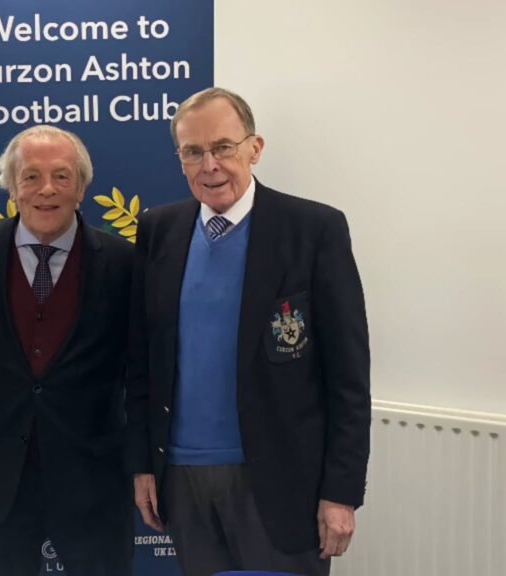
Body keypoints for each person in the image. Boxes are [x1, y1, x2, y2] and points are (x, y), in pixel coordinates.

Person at [126, 87, 371, 576]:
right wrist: (142, 464)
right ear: (180, 159)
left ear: (254, 149)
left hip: (281, 480)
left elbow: (348, 376)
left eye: (223, 147)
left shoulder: (313, 229)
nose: (209, 164)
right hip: (182, 476)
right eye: (193, 152)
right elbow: (142, 362)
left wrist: (341, 493)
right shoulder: (159, 230)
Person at [0, 125, 134, 576]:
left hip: (93, 478)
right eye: (30, 176)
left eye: (61, 176)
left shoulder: (125, 263)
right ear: (11, 187)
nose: (46, 190)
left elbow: (144, 372)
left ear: (83, 187)